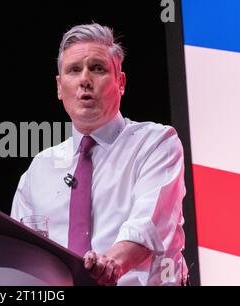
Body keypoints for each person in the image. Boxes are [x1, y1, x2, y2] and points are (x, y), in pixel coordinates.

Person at [10, 22, 187, 286]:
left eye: (97, 68)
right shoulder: (40, 168)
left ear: (121, 81)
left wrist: (109, 264)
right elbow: (20, 251)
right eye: (74, 70)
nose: (85, 80)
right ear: (59, 87)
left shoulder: (155, 143)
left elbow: (148, 228)